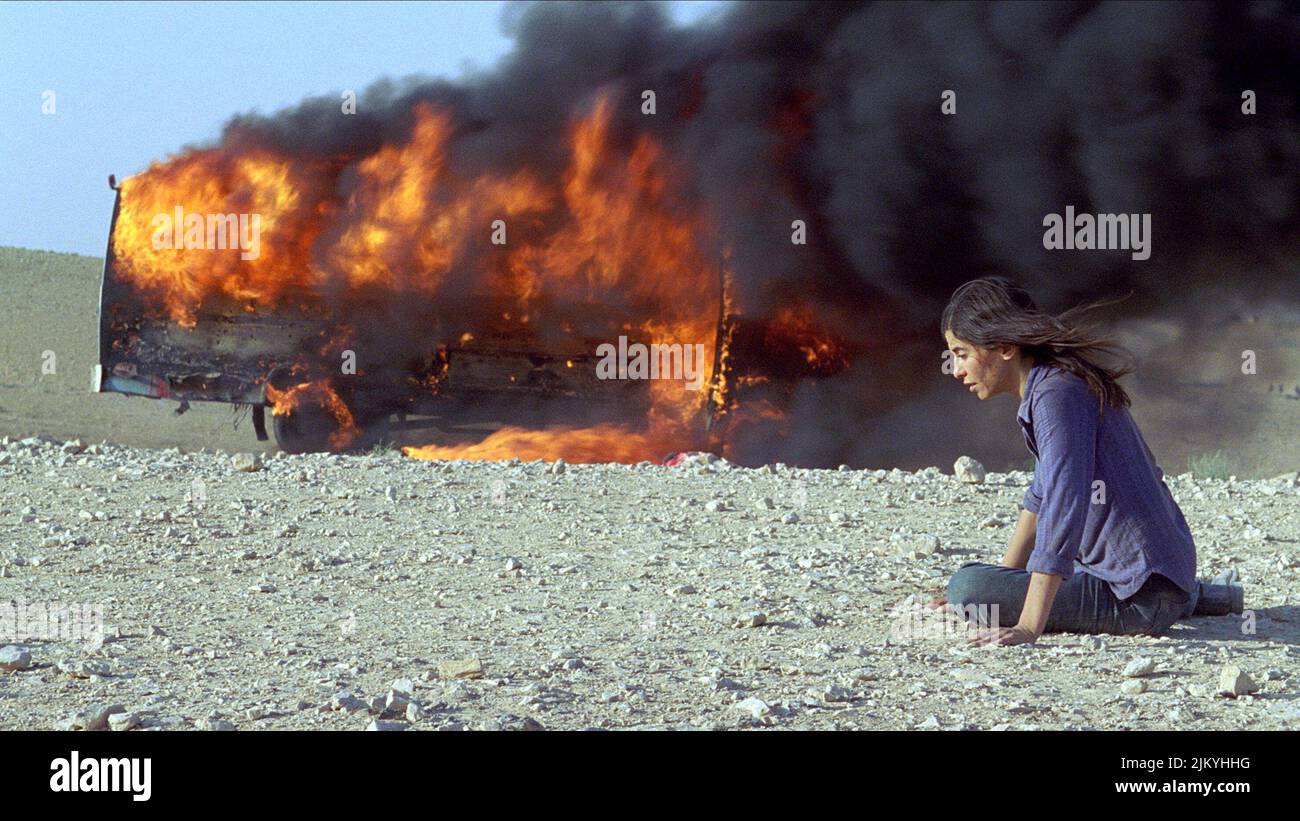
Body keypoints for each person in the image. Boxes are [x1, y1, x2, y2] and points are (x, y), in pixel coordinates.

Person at [930, 277, 1243, 647]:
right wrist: (1003, 586)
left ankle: (1182, 598)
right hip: (1161, 575)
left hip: (1138, 599)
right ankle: (1199, 595)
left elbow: (1064, 505)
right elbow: (1041, 496)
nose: (956, 370)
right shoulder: (1055, 383)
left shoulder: (1055, 396)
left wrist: (1024, 622)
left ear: (1004, 347)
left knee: (966, 585)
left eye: (962, 353)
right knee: (983, 587)